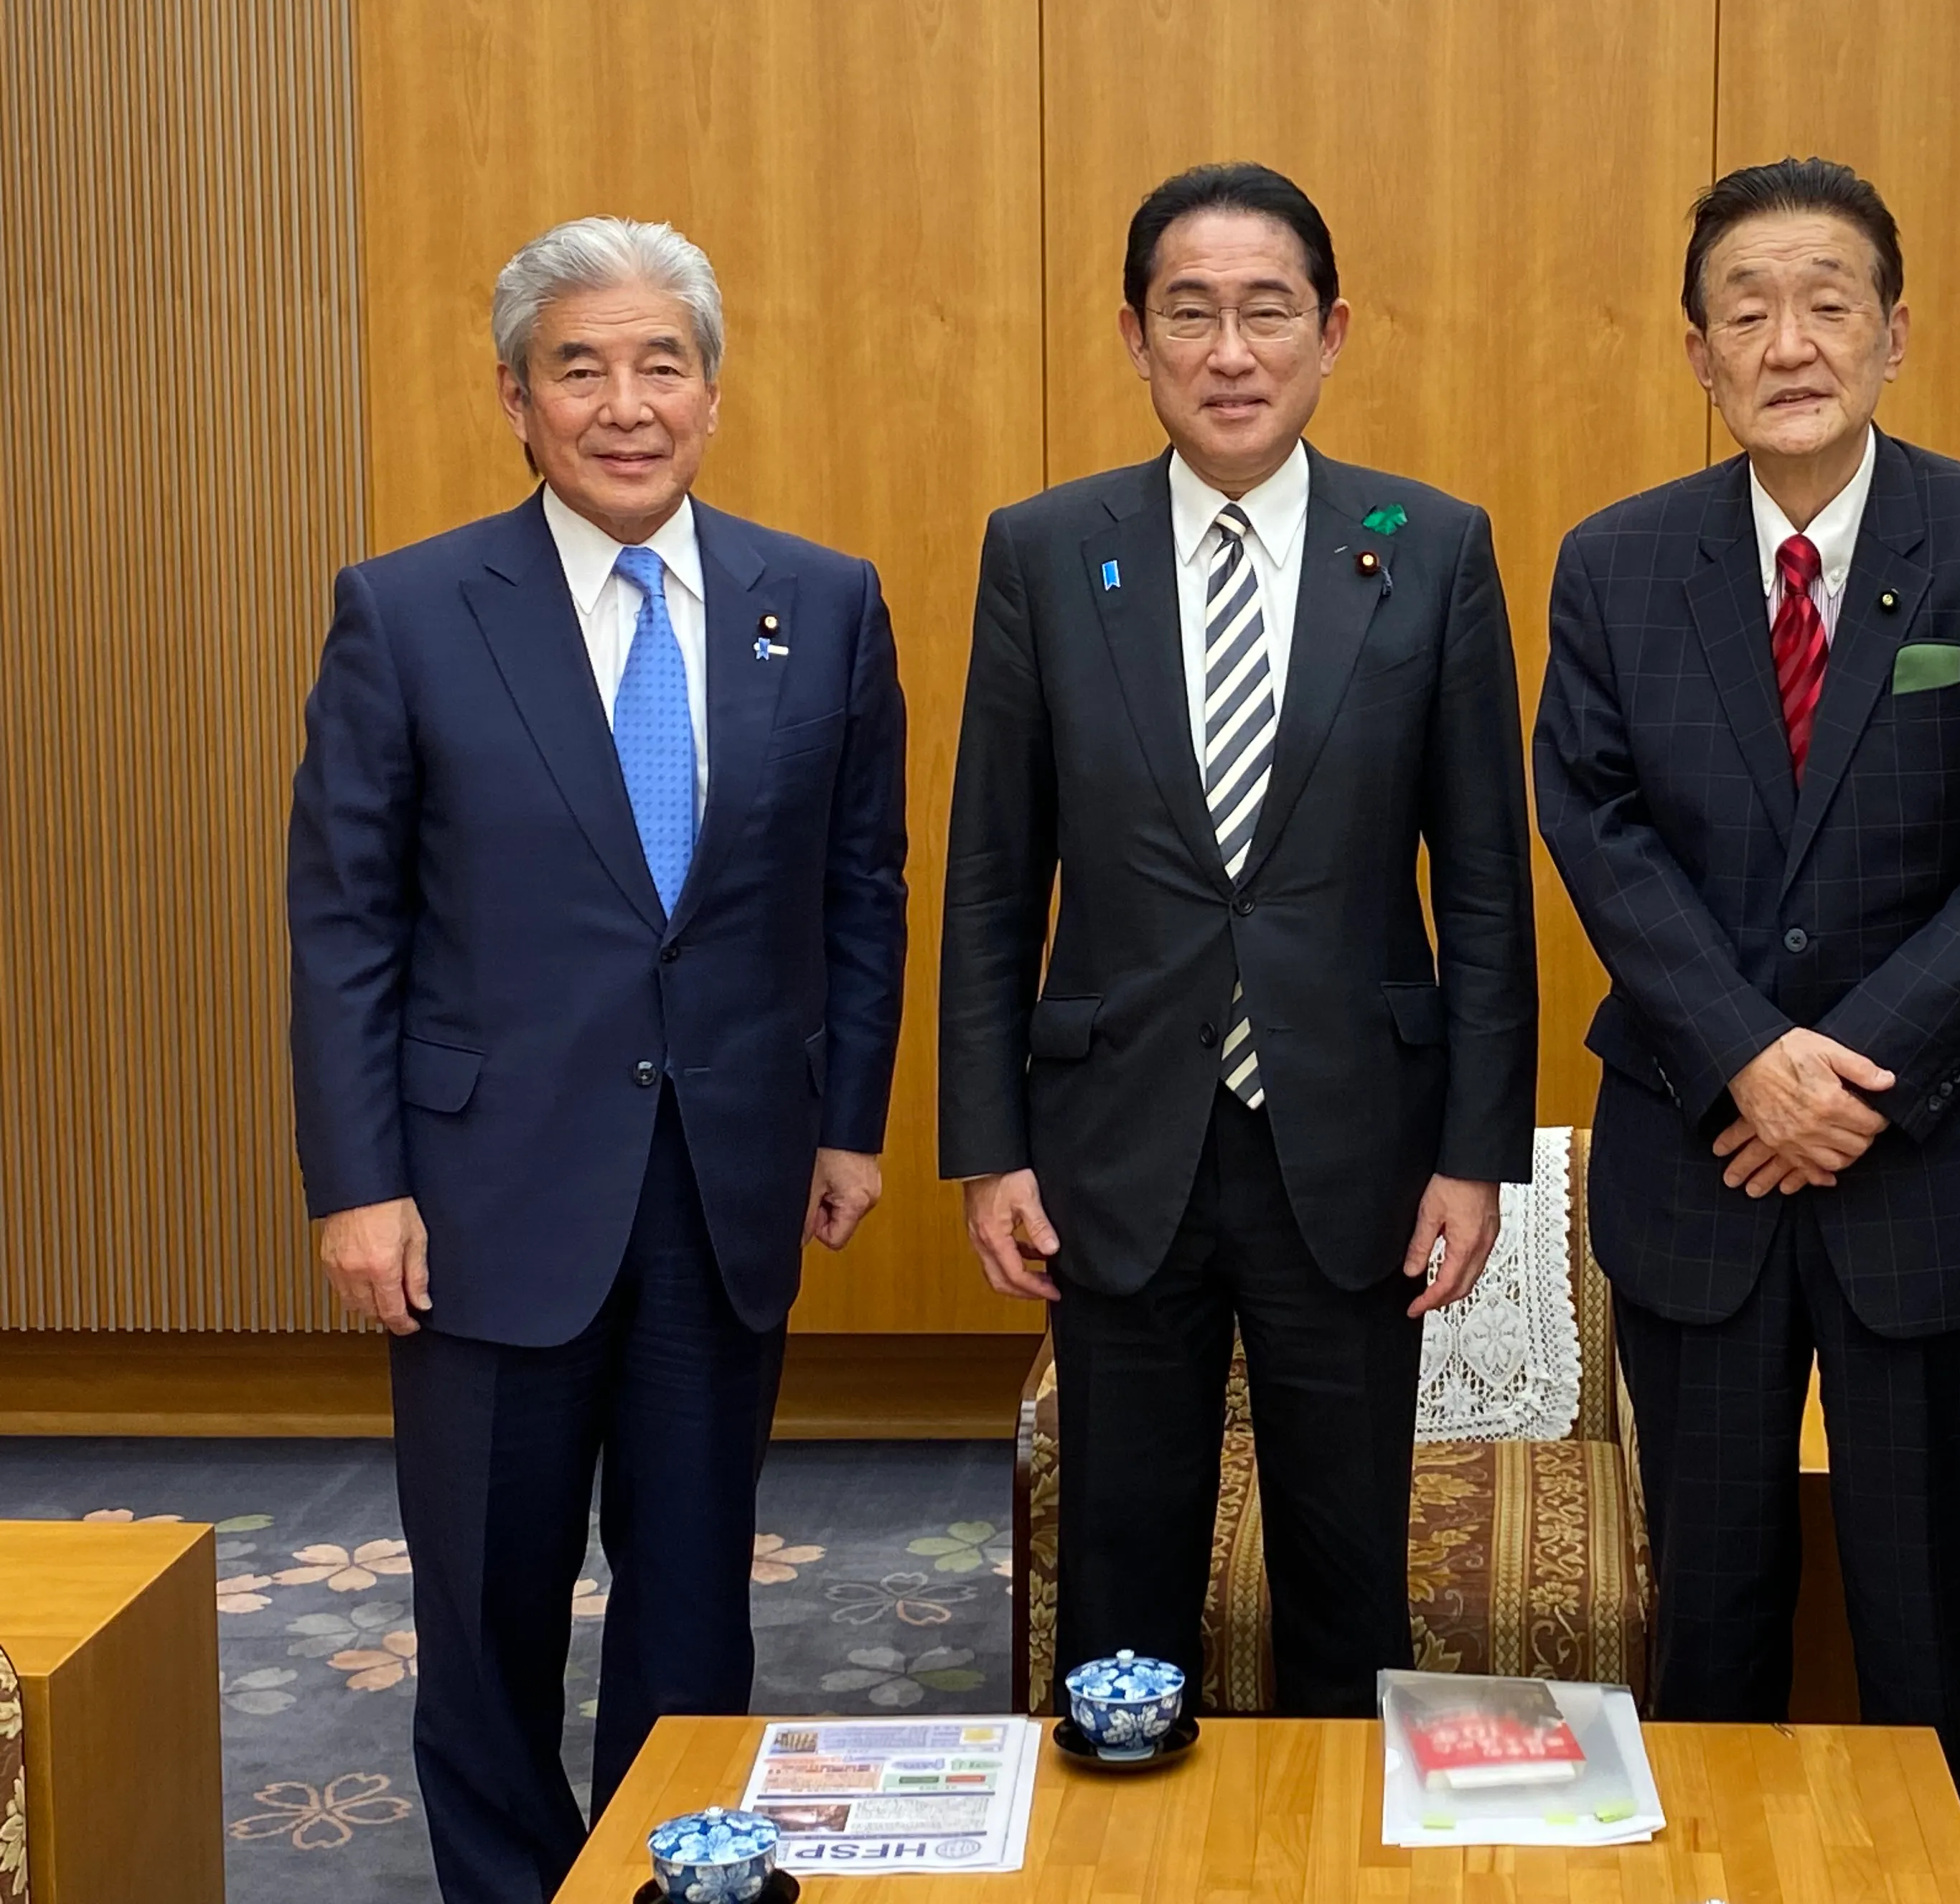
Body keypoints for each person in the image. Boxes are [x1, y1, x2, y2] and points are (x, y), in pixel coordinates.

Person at [287, 217, 908, 1903]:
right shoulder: (408, 614)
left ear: (711, 390)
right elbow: (346, 924)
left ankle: (671, 1876)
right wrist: (363, 1185)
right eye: (582, 367)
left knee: (696, 1587)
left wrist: (848, 1119)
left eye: (661, 364)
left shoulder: (823, 604)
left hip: (726, 1181)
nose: (625, 403)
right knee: (485, 1605)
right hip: (483, 1197)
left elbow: (861, 888)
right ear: (516, 397)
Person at [1534, 156, 1960, 1896]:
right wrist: (1747, 1057)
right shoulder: (1620, 564)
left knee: (1941, 1622)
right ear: (1697, 352)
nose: (1792, 339)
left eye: (1829, 299)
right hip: (1702, 1161)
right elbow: (1595, 820)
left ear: (1895, 329)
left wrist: (1847, 1069)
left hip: (1934, 1161)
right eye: (1747, 309)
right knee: (1706, 1618)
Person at [940, 162, 1537, 1716]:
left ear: (1330, 333)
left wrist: (1476, 1159)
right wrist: (987, 1147)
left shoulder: (1434, 546)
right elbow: (995, 878)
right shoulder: (1047, 551)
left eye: (1265, 311)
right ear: (1135, 339)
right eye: (1188, 314)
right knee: (1120, 1577)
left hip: (1353, 1141)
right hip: (1112, 1141)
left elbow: (1482, 884)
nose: (1229, 351)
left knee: (1350, 1571)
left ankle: (1339, 1871)